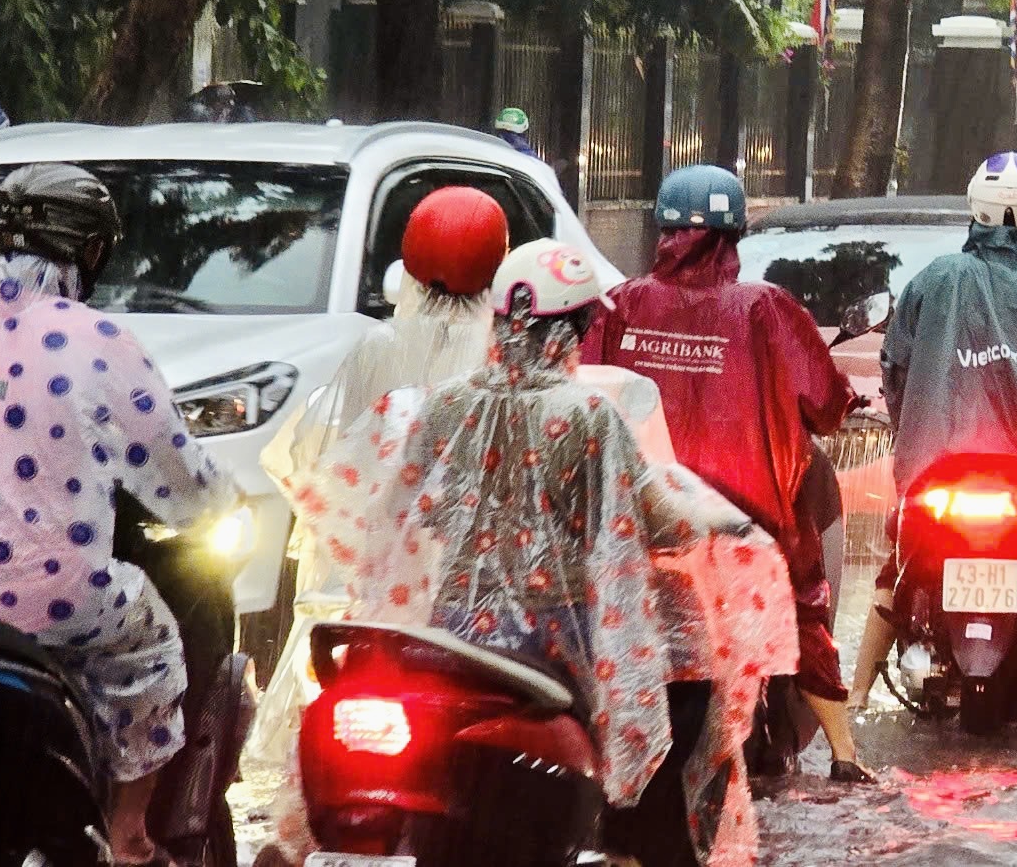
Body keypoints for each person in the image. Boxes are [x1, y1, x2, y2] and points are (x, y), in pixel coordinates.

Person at [297, 240, 791, 867]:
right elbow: (650, 516)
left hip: (451, 633)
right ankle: (632, 842)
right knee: (681, 695)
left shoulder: (445, 402)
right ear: (573, 329)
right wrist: (726, 522)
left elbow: (400, 508)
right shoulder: (588, 415)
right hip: (553, 642)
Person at [0, 164, 236, 864]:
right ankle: (129, 834)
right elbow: (182, 482)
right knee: (152, 642)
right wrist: (222, 502)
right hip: (57, 606)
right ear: (92, 252)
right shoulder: (92, 339)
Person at [581, 164, 865, 781]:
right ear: (733, 233)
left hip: (644, 521)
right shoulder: (767, 308)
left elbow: (585, 393)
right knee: (803, 605)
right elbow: (824, 402)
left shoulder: (620, 304)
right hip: (750, 524)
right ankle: (845, 756)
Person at [250, 186, 507, 772]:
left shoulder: (378, 345)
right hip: (471, 582)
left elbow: (331, 448)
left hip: (379, 576)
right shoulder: (504, 346)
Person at [848, 152, 1017, 705]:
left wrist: (910, 429)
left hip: (937, 471)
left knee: (895, 568)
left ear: (977, 210)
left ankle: (853, 698)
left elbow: (895, 371)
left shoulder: (936, 279)